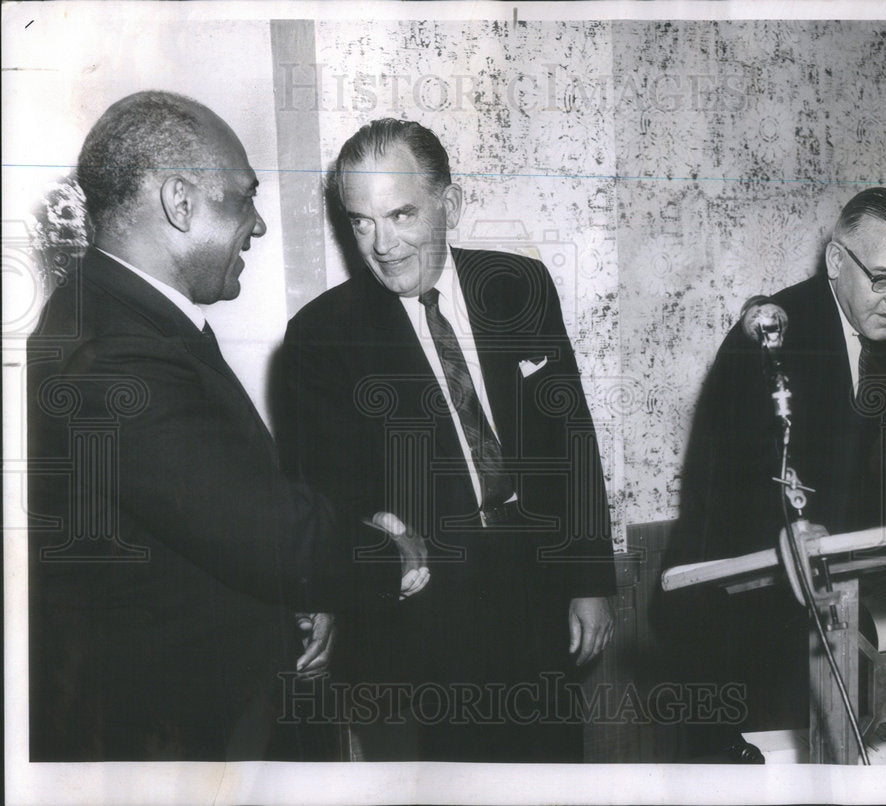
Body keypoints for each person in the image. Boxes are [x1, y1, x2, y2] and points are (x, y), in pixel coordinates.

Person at [27, 91, 428, 762]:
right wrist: (392, 554)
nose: (259, 225)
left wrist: (303, 596)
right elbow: (265, 531)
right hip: (179, 743)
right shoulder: (113, 353)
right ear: (181, 203)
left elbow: (220, 516)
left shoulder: (124, 320)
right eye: (243, 198)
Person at [278, 118, 617, 761]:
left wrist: (590, 578)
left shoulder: (521, 286)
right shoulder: (321, 336)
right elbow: (324, 497)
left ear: (450, 205)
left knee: (555, 773)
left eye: (401, 214)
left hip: (541, 592)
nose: (382, 244)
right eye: (361, 221)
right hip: (425, 619)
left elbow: (571, 438)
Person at [662, 186, 886, 761]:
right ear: (837, 261)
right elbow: (727, 483)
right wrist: (788, 527)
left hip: (828, 601)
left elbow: (865, 462)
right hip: (732, 617)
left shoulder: (882, 334)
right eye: (883, 278)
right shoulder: (770, 335)